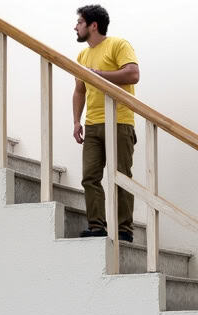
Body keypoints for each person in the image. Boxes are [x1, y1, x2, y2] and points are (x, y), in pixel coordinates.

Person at [72, 4, 140, 243]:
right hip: (92, 124)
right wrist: (76, 121)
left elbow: (133, 74)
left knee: (121, 175)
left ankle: (124, 230)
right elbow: (79, 90)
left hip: (120, 121)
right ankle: (97, 226)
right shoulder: (81, 56)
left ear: (93, 25)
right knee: (89, 177)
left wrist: (98, 74)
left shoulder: (118, 44)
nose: (75, 27)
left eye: (79, 22)